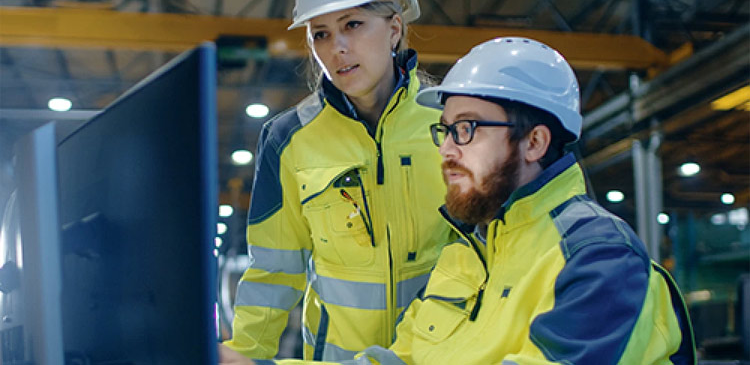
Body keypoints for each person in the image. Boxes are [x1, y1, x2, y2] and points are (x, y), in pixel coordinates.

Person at [221, 37, 697, 365]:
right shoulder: (466, 256)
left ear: (534, 142)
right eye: (445, 130)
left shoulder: (598, 258)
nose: (446, 149)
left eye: (467, 128)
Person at [220, 0, 454, 361]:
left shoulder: (452, 124)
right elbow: (274, 271)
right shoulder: (288, 139)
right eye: (321, 34)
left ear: (394, 28)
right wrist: (244, 355)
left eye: (353, 24)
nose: (336, 48)